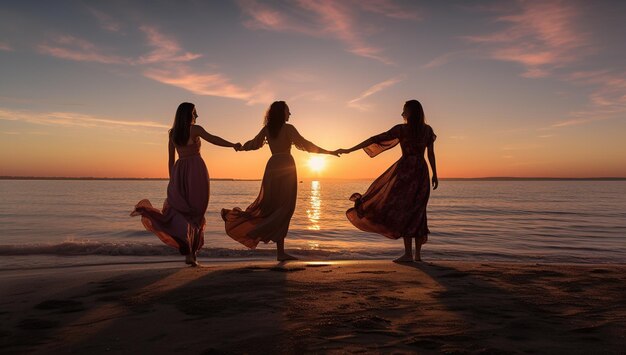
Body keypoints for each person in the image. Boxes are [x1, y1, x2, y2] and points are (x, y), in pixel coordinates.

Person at [221, 101, 338, 261]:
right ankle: (278, 251)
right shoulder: (288, 129)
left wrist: (241, 148)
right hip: (286, 166)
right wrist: (329, 152)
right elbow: (306, 144)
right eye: (288, 111)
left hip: (272, 166)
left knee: (273, 207)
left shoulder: (267, 129)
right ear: (281, 113)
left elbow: (253, 144)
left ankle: (277, 250)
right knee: (285, 208)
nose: (290, 114)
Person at [131, 102, 240, 266]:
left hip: (179, 173)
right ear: (188, 114)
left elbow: (170, 160)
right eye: (195, 113)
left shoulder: (173, 133)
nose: (197, 116)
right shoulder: (194, 129)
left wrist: (172, 180)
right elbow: (213, 139)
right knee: (196, 212)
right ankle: (191, 254)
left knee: (184, 212)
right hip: (196, 172)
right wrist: (233, 145)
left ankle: (190, 253)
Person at [335, 100, 438, 262]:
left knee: (407, 210)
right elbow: (430, 154)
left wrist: (349, 150)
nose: (402, 114)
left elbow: (375, 139)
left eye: (404, 111)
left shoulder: (403, 129)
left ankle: (410, 255)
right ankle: (415, 255)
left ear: (411, 112)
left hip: (406, 172)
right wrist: (434, 174)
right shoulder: (426, 130)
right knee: (418, 211)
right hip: (421, 171)